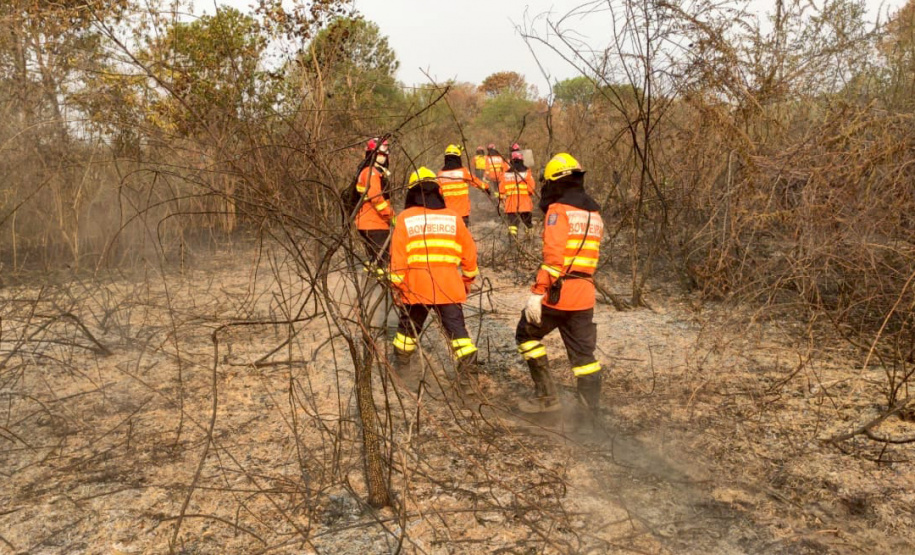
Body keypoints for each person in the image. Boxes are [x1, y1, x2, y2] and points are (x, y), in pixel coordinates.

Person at [514, 153, 605, 415]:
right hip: (585, 293)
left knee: (526, 335)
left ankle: (547, 399)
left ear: (556, 182)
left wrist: (537, 293)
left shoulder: (558, 211)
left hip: (558, 293)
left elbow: (554, 259)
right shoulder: (594, 214)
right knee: (584, 358)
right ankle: (589, 416)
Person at [388, 166, 481, 380]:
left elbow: (398, 261)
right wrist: (466, 281)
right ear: (438, 192)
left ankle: (402, 372)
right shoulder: (454, 218)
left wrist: (397, 288)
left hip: (416, 288)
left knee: (408, 332)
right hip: (449, 286)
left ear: (412, 192)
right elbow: (470, 255)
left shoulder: (404, 218)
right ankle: (469, 380)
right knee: (459, 335)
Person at [354, 138, 394, 274]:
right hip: (375, 224)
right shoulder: (371, 173)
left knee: (375, 262)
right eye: (381, 154)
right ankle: (381, 290)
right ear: (373, 154)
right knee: (385, 263)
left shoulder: (369, 172)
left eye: (385, 154)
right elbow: (376, 198)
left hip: (368, 224)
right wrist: (390, 216)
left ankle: (370, 287)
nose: (384, 157)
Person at [437, 144, 491, 226]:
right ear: (458, 158)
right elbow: (475, 181)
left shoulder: (440, 174)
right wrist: (486, 188)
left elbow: (438, 192)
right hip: (462, 212)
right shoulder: (463, 172)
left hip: (448, 213)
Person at [498, 150, 536, 236]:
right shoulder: (527, 173)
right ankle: (530, 239)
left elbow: (501, 191)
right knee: (528, 224)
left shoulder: (506, 175)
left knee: (513, 225)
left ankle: (513, 242)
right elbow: (531, 189)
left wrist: (502, 201)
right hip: (525, 204)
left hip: (510, 204)